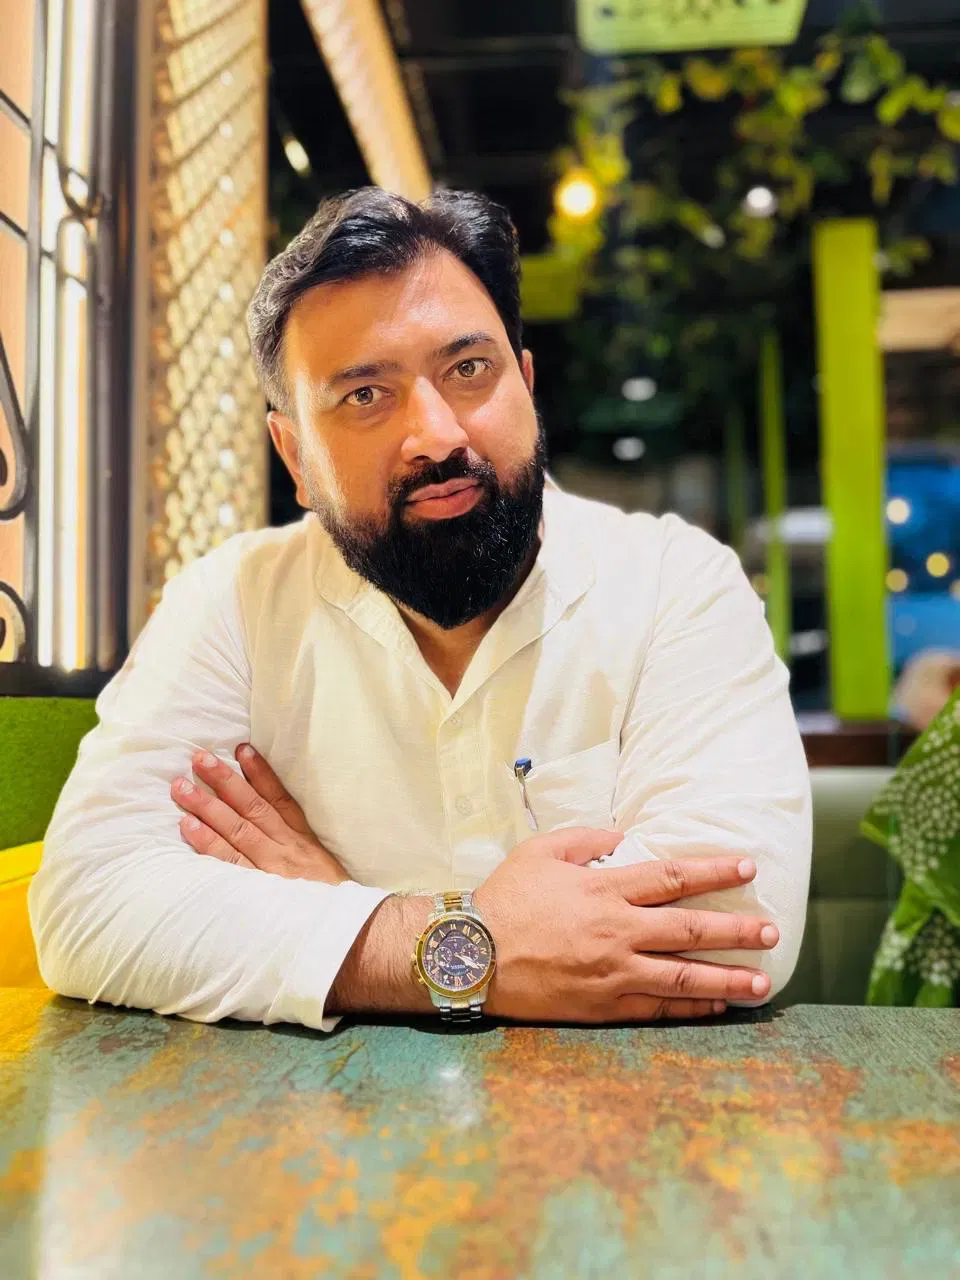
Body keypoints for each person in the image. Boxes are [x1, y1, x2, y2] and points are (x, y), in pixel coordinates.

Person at [29, 188, 811, 1030]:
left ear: (526, 384)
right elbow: (88, 903)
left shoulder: (675, 584)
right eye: (365, 394)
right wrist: (448, 945)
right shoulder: (234, 604)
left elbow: (738, 935)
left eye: (469, 370)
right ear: (295, 456)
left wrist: (346, 914)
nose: (437, 435)